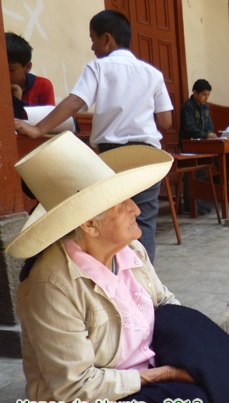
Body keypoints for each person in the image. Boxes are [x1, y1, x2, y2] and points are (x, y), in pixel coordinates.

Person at [7, 133, 229, 403]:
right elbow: (75, 388)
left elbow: (165, 304)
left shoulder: (130, 250)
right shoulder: (51, 287)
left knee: (216, 375)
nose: (136, 208)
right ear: (89, 224)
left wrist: (195, 352)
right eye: (121, 203)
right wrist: (163, 374)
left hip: (139, 371)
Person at [14, 10, 173, 263]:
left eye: (93, 39)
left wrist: (38, 129)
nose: (91, 46)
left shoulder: (99, 67)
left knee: (110, 221)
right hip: (148, 155)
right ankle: (144, 278)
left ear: (106, 39)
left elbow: (76, 101)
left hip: (114, 156)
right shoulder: (153, 73)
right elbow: (166, 121)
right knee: (142, 221)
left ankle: (114, 275)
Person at [179, 79, 216, 215]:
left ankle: (198, 202)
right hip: (189, 145)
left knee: (201, 173)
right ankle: (190, 204)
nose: (206, 98)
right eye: (204, 94)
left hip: (202, 145)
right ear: (195, 93)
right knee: (192, 174)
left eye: (208, 95)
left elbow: (209, 124)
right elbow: (189, 127)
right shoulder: (188, 106)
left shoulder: (206, 107)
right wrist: (205, 135)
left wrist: (210, 134)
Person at [6, 32, 55, 107]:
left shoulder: (43, 86)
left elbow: (50, 113)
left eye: (11, 69)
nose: (4, 74)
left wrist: (16, 93)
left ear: (27, 67)